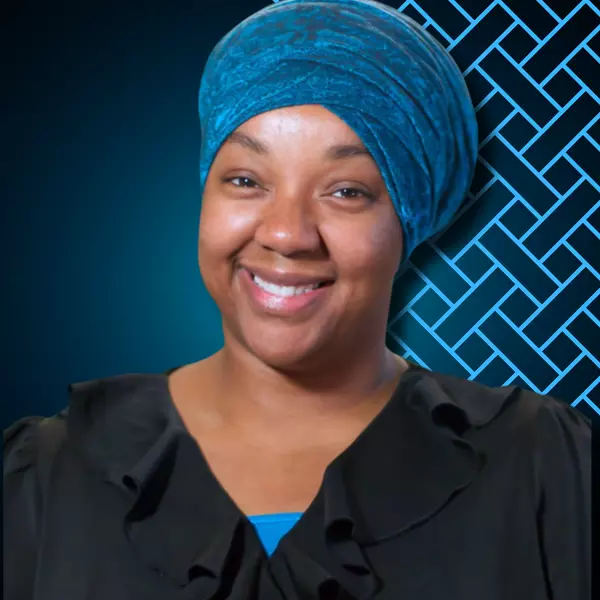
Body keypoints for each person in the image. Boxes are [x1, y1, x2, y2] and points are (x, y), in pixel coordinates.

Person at [3, 0, 591, 599]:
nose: (286, 233)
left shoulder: (540, 465)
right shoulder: (49, 473)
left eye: (346, 191)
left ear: (409, 219)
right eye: (245, 180)